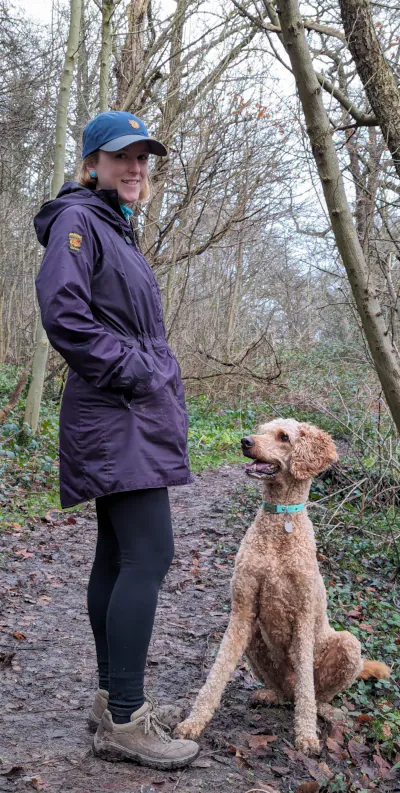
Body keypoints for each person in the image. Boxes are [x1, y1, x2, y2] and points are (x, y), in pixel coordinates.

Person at [34, 111, 199, 769]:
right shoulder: (77, 223)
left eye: (144, 159)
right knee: (150, 553)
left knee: (118, 554)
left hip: (126, 414)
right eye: (122, 157)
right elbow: (64, 314)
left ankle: (113, 700)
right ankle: (127, 720)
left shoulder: (112, 227)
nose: (135, 168)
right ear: (92, 164)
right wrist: (138, 369)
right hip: (117, 412)